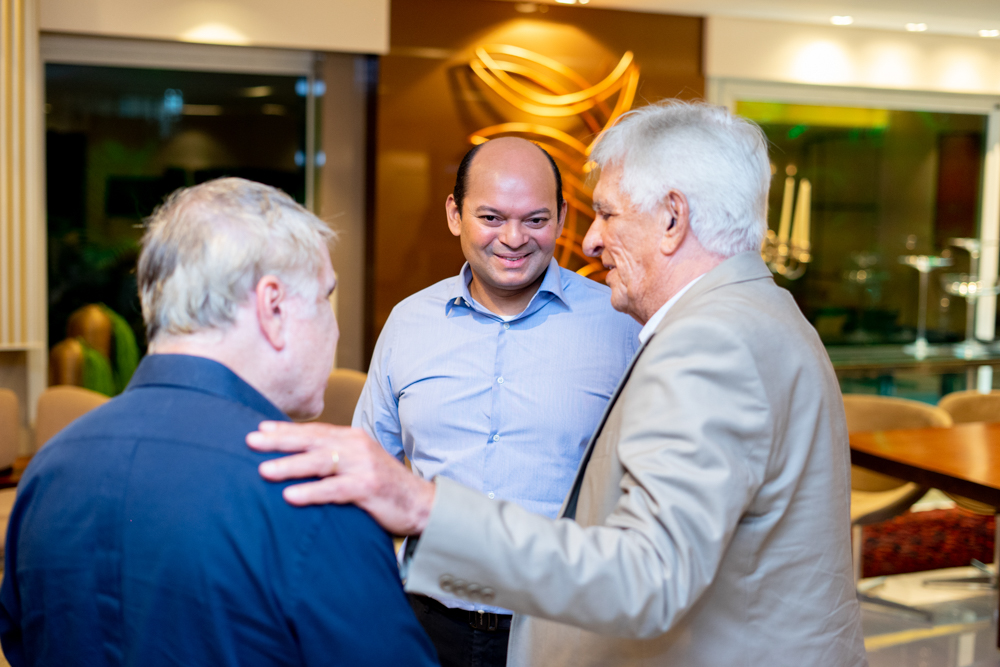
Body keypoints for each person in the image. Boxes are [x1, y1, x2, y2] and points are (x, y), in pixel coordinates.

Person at [247, 101, 868, 666]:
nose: (590, 241)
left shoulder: (709, 343)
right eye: (492, 217)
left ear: (673, 218)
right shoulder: (764, 312)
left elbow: (646, 578)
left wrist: (424, 508)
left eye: (608, 213)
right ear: (456, 215)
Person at [0, 178, 438, 667]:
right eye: (324, 299)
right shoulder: (312, 495)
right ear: (273, 308)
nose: (333, 329)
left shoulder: (48, 470)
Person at [356, 137, 639, 666]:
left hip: (566, 628)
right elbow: (367, 471)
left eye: (535, 220)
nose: (513, 238)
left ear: (562, 218)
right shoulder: (408, 324)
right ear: (454, 214)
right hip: (425, 623)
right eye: (491, 217)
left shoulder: (621, 324)